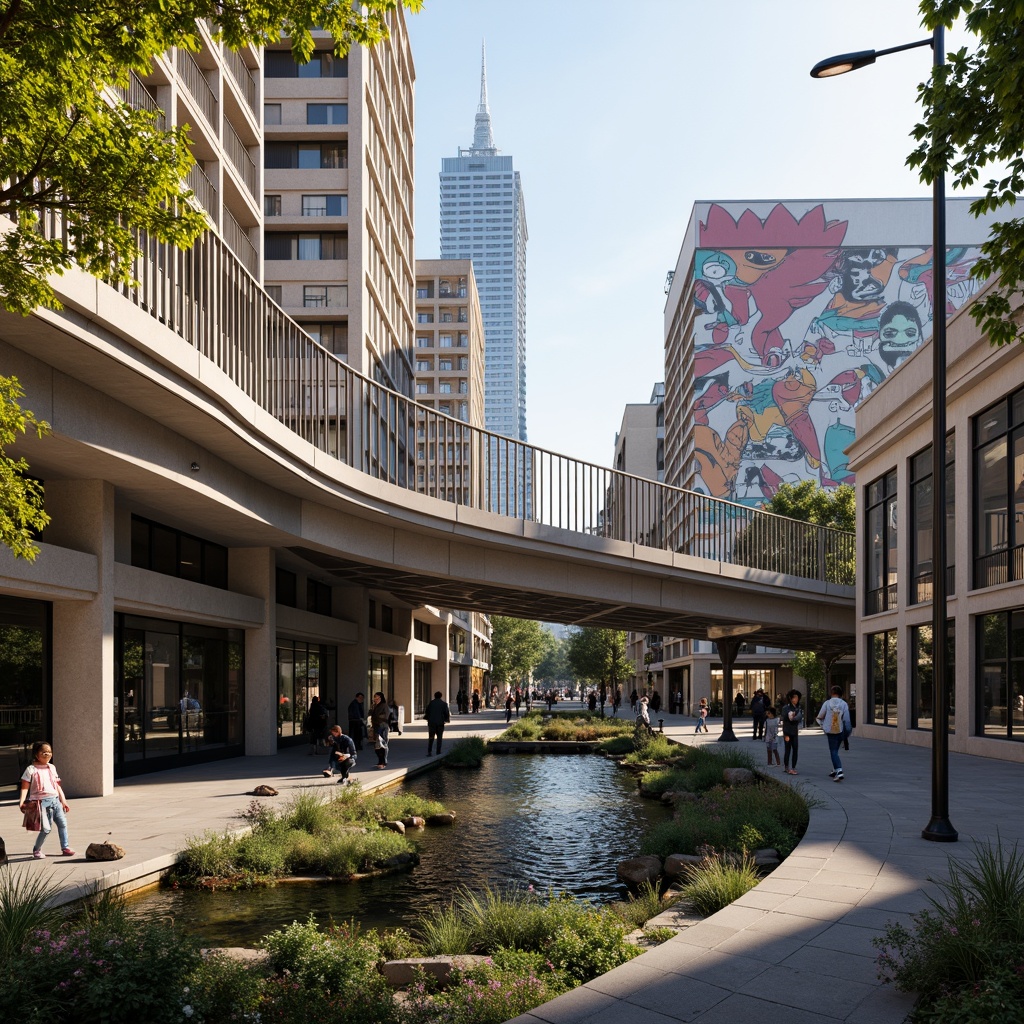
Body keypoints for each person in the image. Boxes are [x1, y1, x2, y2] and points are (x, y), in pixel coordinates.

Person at [19, 740, 74, 859]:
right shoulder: (31, 769)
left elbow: (57, 786)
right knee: (46, 829)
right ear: (36, 754)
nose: (48, 754)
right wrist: (22, 802)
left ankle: (65, 847)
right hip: (41, 803)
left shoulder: (52, 768)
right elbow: (24, 787)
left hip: (55, 801)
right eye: (44, 752)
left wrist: (63, 801)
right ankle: (36, 849)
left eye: (49, 752)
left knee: (63, 824)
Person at [816, 684, 853, 781]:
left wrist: (823, 725)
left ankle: (839, 770)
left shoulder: (827, 703)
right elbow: (847, 720)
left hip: (830, 729)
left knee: (833, 751)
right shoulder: (844, 704)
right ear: (840, 694)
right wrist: (847, 733)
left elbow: (820, 716)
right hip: (840, 729)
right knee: (835, 750)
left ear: (831, 693)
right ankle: (834, 769)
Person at [782, 689, 804, 775]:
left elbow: (798, 719)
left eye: (797, 697)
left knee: (795, 749)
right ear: (790, 698)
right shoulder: (786, 708)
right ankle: (786, 767)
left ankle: (793, 767)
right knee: (787, 749)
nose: (796, 699)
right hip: (787, 731)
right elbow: (786, 718)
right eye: (794, 697)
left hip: (794, 731)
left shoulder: (798, 708)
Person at [368, 691, 391, 769]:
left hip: (382, 727)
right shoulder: (375, 706)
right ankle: (380, 760)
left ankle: (383, 761)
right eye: (375, 697)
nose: (375, 699)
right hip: (376, 727)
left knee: (383, 745)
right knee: (377, 746)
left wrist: (376, 718)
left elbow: (385, 716)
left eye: (377, 697)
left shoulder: (384, 705)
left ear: (381, 698)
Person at [425, 691, 451, 755]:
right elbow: (446, 713)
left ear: (434, 696)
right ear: (441, 696)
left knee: (431, 737)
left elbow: (427, 711)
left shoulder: (431, 703)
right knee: (439, 737)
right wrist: (446, 719)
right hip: (440, 723)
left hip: (432, 723)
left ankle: (429, 751)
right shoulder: (444, 704)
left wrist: (428, 718)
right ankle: (438, 751)